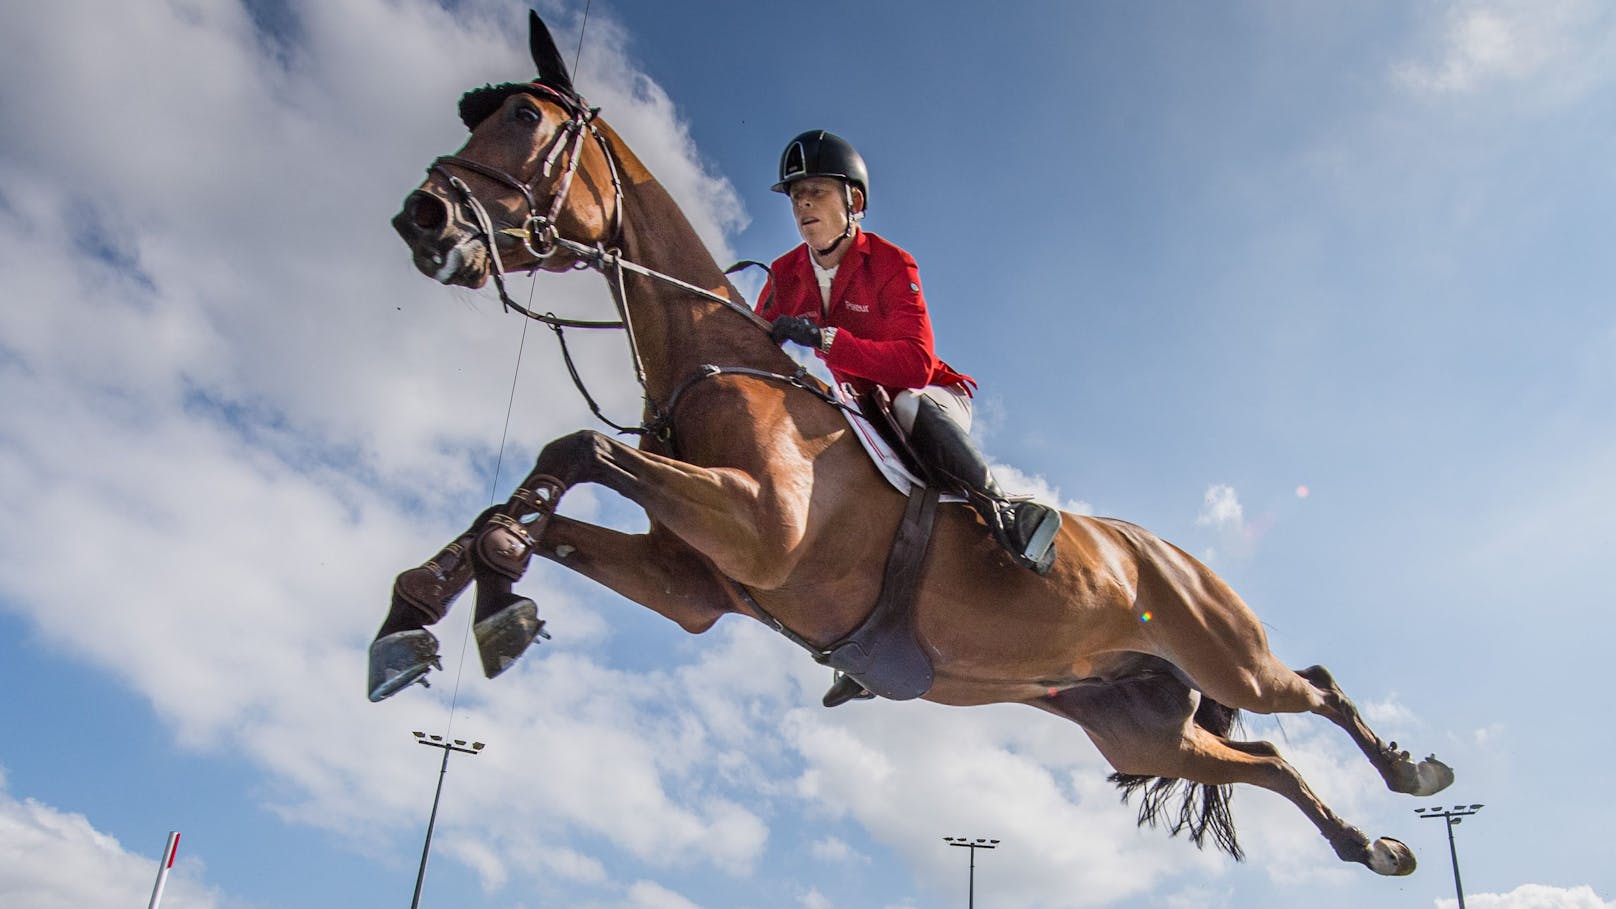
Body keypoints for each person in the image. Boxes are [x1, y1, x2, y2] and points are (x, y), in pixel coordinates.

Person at [758, 130, 1062, 577]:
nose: (803, 205)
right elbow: (752, 335)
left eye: (816, 192)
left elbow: (915, 365)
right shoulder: (785, 273)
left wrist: (825, 340)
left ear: (854, 203)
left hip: (931, 395)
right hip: (861, 406)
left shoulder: (890, 262)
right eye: (795, 197)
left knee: (906, 403)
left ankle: (1003, 512)